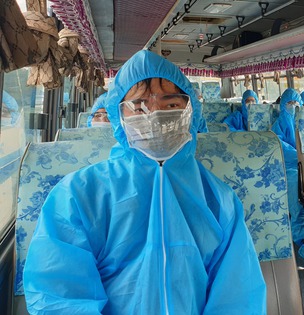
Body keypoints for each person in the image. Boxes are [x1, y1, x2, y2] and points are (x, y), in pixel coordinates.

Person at [23, 50, 266, 314]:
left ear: (191, 114)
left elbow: (238, 296)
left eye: (171, 105)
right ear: (120, 118)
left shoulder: (220, 200)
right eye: (139, 108)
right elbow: (60, 295)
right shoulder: (79, 195)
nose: (155, 116)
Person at [271, 88, 304, 260]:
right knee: (295, 184)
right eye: (289, 103)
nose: (293, 106)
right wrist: (302, 157)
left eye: (296, 103)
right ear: (283, 105)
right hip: (290, 166)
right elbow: (279, 146)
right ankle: (303, 236)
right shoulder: (278, 125)